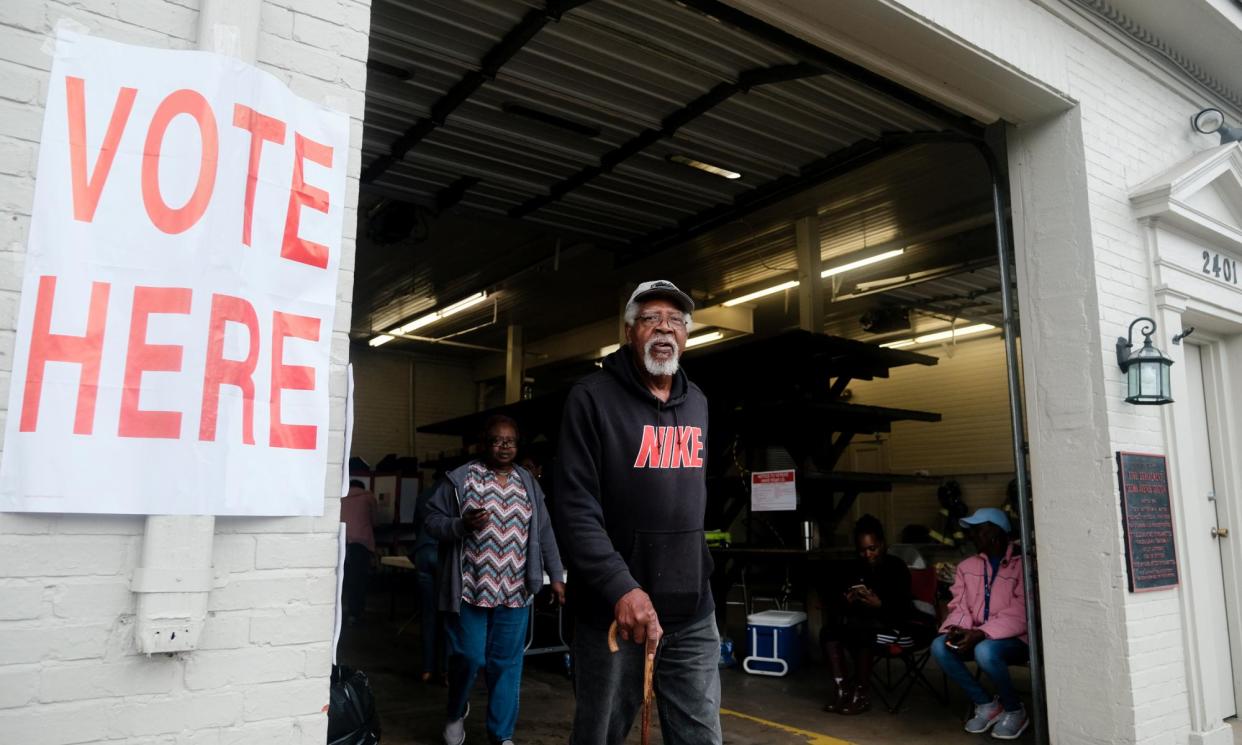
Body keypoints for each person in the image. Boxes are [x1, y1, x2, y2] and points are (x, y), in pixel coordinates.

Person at [554, 279, 722, 745]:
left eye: (675, 321)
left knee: (701, 736)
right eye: (651, 319)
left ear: (687, 336)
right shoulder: (591, 398)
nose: (664, 329)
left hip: (691, 609)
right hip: (614, 612)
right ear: (630, 331)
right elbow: (574, 507)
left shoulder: (699, 404)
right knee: (600, 734)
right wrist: (620, 587)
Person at [423, 415, 566, 745]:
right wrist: (461, 525)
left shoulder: (528, 483)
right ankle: (456, 711)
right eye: (497, 440)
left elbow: (544, 532)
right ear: (483, 443)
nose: (504, 447)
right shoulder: (461, 479)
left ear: (518, 445)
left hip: (515, 590)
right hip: (470, 588)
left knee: (506, 664)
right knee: (469, 657)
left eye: (511, 441)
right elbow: (431, 520)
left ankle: (501, 735)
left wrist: (555, 576)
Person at [930, 507, 1029, 739]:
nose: (972, 536)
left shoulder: (1022, 565)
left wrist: (981, 633)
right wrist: (957, 627)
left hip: (1014, 640)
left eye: (977, 531)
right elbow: (959, 605)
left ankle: (1015, 709)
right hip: (976, 635)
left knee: (985, 651)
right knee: (939, 645)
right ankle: (986, 704)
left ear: (995, 533)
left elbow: (1021, 612)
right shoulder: (967, 567)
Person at [821, 514, 921, 716]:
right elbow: (843, 606)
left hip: (896, 627)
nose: (867, 555)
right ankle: (842, 690)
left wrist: (880, 604)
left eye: (872, 549)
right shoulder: (856, 567)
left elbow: (905, 609)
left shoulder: (896, 567)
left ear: (882, 544)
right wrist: (846, 601)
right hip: (863, 624)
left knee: (862, 632)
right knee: (829, 631)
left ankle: (861, 694)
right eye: (862, 551)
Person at [413, 470, 447, 685]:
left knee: (428, 614)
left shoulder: (424, 494)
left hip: (423, 553)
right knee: (448, 614)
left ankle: (426, 669)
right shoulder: (455, 493)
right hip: (442, 554)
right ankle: (444, 671)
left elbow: (417, 526)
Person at [340, 479, 377, 626]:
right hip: (360, 544)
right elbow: (374, 521)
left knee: (344, 578)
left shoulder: (341, 498)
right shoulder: (368, 497)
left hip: (343, 540)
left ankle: (340, 611)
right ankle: (355, 612)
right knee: (358, 579)